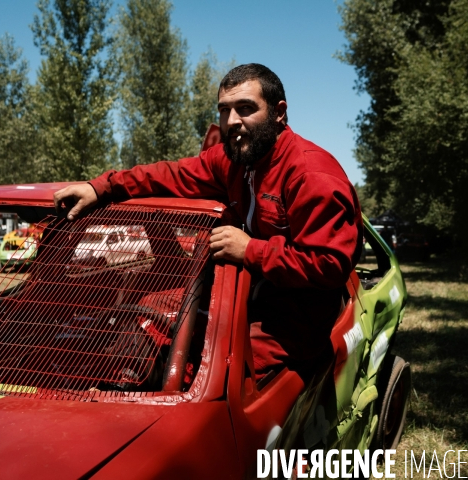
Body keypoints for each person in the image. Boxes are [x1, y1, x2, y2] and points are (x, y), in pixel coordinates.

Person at [54, 63, 363, 381]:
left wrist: (250, 250)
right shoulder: (231, 159)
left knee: (223, 373)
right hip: (243, 293)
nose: (232, 122)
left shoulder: (311, 176)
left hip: (299, 313)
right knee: (152, 315)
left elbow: (329, 264)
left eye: (245, 109)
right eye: (224, 110)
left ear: (278, 112)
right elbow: (168, 175)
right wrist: (100, 187)